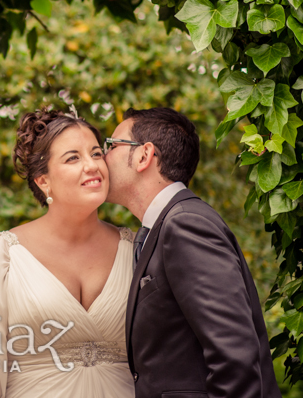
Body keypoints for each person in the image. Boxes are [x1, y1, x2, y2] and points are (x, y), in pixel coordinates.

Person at [0, 108, 136, 398]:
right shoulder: (4, 254)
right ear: (43, 180)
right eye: (73, 158)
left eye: (96, 154)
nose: (92, 165)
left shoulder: (136, 249)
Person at [104, 107, 281, 398]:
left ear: (143, 156)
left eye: (111, 145)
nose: (102, 156)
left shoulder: (186, 225)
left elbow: (235, 356)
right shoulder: (158, 230)